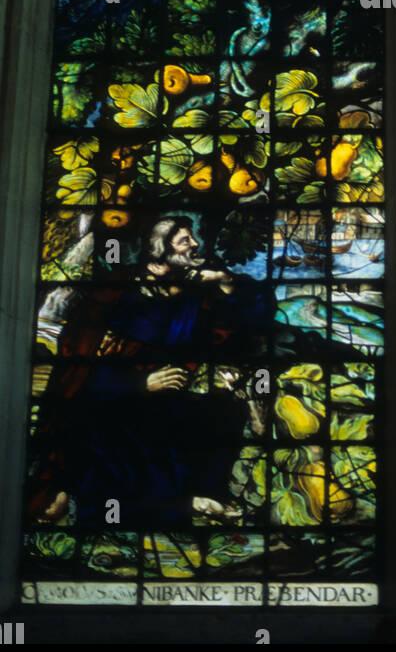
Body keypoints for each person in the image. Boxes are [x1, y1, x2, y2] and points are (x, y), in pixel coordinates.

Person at [29, 218, 267, 528]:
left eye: (192, 238)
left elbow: (255, 320)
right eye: (185, 241)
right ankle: (172, 506)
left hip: (177, 395)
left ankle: (199, 498)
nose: (195, 245)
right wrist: (138, 383)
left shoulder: (197, 293)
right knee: (114, 431)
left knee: (221, 412)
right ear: (158, 253)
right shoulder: (117, 293)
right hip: (116, 398)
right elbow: (81, 364)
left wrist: (225, 280)